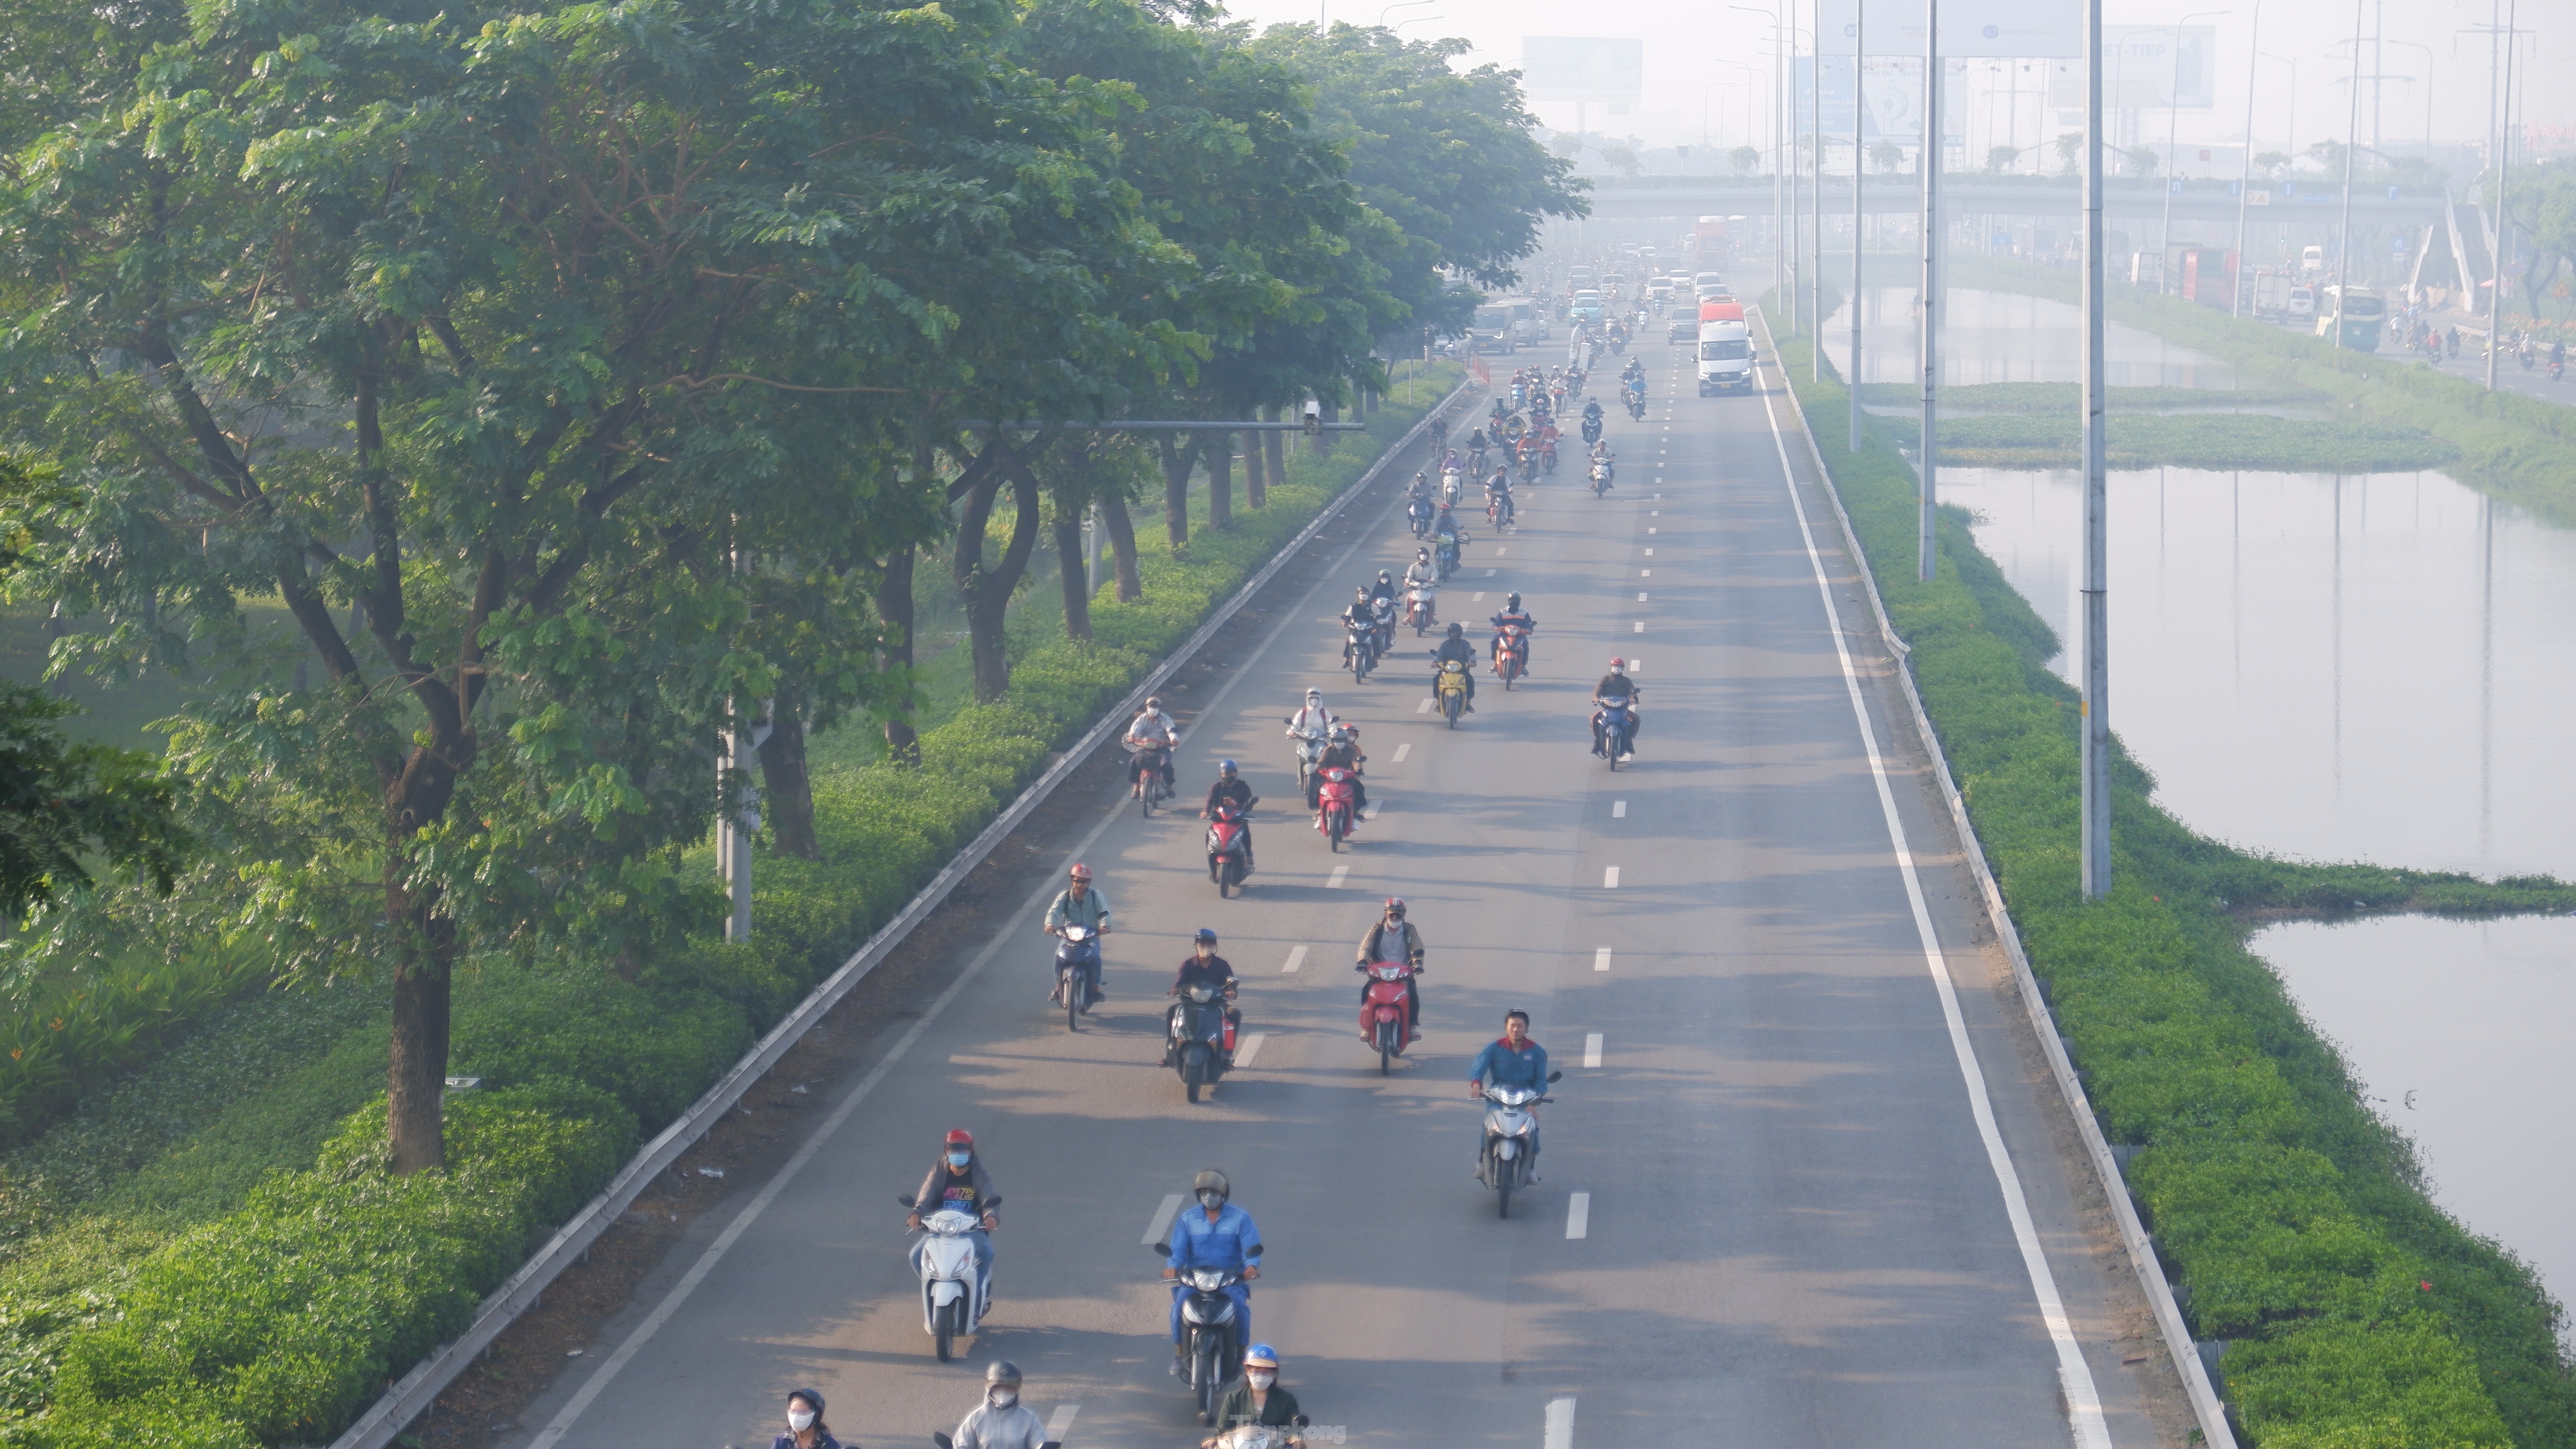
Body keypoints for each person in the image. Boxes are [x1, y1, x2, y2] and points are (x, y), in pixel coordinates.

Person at [1162, 1169, 1262, 1374]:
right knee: (1178, 1308)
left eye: (1214, 1192)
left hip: (1230, 1280)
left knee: (1239, 1308)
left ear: (1223, 1194)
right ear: (1198, 1195)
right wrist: (1172, 1267)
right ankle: (1180, 1354)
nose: (1209, 1196)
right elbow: (1178, 1250)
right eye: (1204, 1192)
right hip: (1195, 1280)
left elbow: (1250, 1247)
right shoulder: (1187, 1219)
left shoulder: (1240, 1218)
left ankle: (1241, 1353)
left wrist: (1251, 1267)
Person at [908, 1129, 999, 1305]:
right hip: (939, 1228)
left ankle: (977, 1296)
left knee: (986, 1253)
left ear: (971, 1152)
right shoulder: (939, 1171)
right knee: (916, 1255)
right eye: (953, 1151)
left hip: (971, 1229)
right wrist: (917, 1213)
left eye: (963, 1151)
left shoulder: (979, 1173)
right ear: (946, 1151)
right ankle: (933, 1286)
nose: (958, 1155)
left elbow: (989, 1199)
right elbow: (927, 1195)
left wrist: (990, 1217)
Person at [1469, 1009, 1552, 1179]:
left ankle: (1530, 1168)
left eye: (1520, 1026)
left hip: (1526, 1099)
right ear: (1506, 1027)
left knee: (1532, 1131)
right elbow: (1479, 1067)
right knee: (1489, 1127)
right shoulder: (1495, 1048)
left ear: (1527, 1028)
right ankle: (1482, 1163)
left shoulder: (1537, 1052)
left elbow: (1541, 1082)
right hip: (1498, 1097)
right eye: (1512, 1026)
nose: (1516, 1030)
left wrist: (1533, 1103)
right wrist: (1477, 1084)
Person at [1352, 897, 1426, 1040]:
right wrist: (1363, 961)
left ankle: (1411, 1027)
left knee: (1412, 994)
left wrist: (1417, 962)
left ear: (1403, 915)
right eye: (1392, 914)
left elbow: (1417, 946)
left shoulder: (1409, 929)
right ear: (1386, 914)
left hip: (1403, 972)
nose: (1395, 917)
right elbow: (1366, 946)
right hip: (1379, 972)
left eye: (1398, 915)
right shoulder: (1378, 929)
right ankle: (1367, 1027)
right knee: (1366, 993)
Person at [1164, 928, 1240, 1063]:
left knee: (1234, 1014)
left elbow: (1230, 981)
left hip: (1216, 1004)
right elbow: (1179, 983)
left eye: (1209, 944)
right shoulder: (1188, 965)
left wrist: (1231, 991)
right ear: (1196, 945)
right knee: (1172, 1011)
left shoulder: (1222, 965)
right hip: (1190, 1004)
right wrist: (1175, 990)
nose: (1206, 947)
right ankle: (1171, 1050)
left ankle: (1228, 1053)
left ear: (1215, 946)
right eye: (1202, 944)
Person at [1205, 1344, 1305, 1446]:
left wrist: (1296, 1440)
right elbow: (1223, 1429)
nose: (1261, 1377)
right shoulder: (1233, 1398)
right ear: (1247, 1371)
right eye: (1256, 1371)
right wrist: (1215, 1440)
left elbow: (1293, 1428)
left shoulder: (1287, 1400)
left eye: (1266, 1373)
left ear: (1275, 1374)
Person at [1043, 863, 1111, 1003]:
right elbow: (1054, 911)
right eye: (1076, 880)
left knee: (1096, 957)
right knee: (1058, 956)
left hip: (1090, 935)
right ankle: (1057, 987)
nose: (1079, 884)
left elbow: (1104, 913)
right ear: (1071, 880)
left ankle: (1097, 988)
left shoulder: (1095, 896)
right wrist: (1050, 924)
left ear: (1089, 882)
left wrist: (1104, 926)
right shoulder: (1065, 896)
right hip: (1069, 935)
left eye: (1083, 881)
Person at [950, 1362, 1048, 1449]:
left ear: (1016, 1390)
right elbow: (961, 1445)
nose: (1003, 1392)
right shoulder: (976, 1418)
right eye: (998, 1387)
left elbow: (1040, 1443)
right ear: (990, 1389)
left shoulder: (1029, 1419)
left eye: (1009, 1388)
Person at [1201, 760, 1257, 874]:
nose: (1228, 776)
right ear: (1221, 774)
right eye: (1225, 774)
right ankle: (1212, 852)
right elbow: (1209, 800)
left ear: (1236, 773)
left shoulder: (1243, 787)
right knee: (1209, 834)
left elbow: (1248, 805)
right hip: (1220, 819)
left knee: (1245, 832)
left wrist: (1237, 805)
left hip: (1237, 819)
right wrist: (1206, 810)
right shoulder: (1216, 787)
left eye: (1230, 773)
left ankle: (1248, 857)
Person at [1125, 696, 1177, 797]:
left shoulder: (1165, 719)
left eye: (1155, 706)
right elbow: (1135, 729)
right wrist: (1132, 737)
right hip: (1144, 748)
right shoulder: (1142, 719)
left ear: (1159, 708)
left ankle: (1169, 787)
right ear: (1146, 708)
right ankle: (1136, 787)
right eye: (1151, 706)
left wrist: (1173, 739)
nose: (1153, 708)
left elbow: (1171, 730)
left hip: (1161, 748)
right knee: (1133, 763)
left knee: (1167, 765)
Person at [1310, 724, 1367, 815]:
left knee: (1359, 788)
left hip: (1346, 775)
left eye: (1341, 740)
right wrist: (1317, 770)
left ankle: (1356, 811)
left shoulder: (1352, 751)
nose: (1339, 743)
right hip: (1329, 775)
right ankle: (1320, 808)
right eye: (1337, 740)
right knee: (1317, 787)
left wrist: (1358, 770)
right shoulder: (1327, 750)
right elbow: (1321, 762)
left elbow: (1355, 762)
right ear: (1332, 741)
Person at [1592, 657, 1639, 758]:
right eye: (1614, 667)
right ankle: (1598, 742)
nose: (1616, 669)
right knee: (1594, 719)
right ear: (1611, 668)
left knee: (1636, 719)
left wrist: (1633, 699)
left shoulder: (1627, 681)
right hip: (1607, 708)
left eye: (1619, 667)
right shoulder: (1605, 680)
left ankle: (1629, 741)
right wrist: (1596, 698)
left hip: (1622, 708)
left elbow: (1632, 692)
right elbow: (1597, 692)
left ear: (1623, 668)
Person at [773, 1388, 842, 1449]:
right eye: (793, 1412)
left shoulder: (829, 1444)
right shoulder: (782, 1442)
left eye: (802, 1412)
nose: (796, 1417)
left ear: (816, 1415)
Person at [1430, 622, 1477, 712]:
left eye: (1457, 633)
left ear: (1460, 633)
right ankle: (1438, 703)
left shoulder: (1465, 644)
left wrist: (1473, 662)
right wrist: (1435, 662)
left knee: (1470, 681)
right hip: (1446, 670)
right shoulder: (1445, 645)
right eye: (1453, 633)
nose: (1455, 635)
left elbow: (1471, 653)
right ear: (1449, 633)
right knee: (1436, 680)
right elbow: (1439, 654)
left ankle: (1468, 703)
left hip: (1462, 670)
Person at [1489, 591, 1536, 673]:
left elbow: (1529, 624)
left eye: (1516, 600)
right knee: (1494, 641)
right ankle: (1496, 663)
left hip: (1519, 635)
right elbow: (1496, 623)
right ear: (1509, 601)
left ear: (1519, 601)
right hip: (1504, 634)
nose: (1514, 602)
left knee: (1525, 645)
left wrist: (1529, 630)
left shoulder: (1524, 613)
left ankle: (1523, 666)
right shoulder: (1502, 612)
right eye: (1512, 600)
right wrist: (1496, 628)